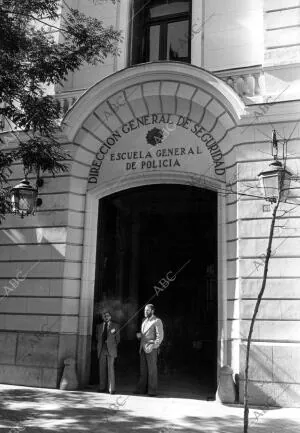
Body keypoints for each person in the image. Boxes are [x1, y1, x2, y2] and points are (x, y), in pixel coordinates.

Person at [135, 304, 164, 396]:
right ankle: (141, 389)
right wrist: (140, 336)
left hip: (151, 349)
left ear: (152, 311)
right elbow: (145, 335)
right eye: (144, 310)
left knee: (152, 370)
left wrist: (154, 346)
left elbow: (160, 336)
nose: (145, 312)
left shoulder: (157, 321)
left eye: (147, 310)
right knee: (143, 370)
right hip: (142, 348)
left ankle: (152, 391)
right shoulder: (144, 321)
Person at [96, 310, 120, 394]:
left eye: (107, 315)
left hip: (111, 349)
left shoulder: (115, 326)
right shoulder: (98, 326)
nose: (106, 317)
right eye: (104, 316)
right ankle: (102, 387)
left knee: (110, 369)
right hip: (102, 349)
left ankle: (111, 389)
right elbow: (97, 338)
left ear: (110, 317)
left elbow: (118, 339)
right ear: (103, 317)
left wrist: (112, 345)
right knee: (101, 369)